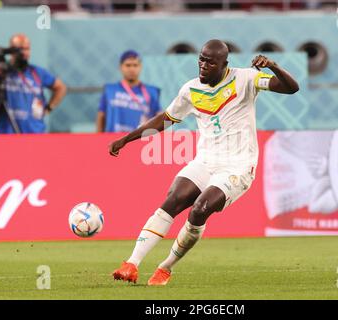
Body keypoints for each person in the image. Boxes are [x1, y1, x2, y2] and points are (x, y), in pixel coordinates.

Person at [108, 39, 299, 286]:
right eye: (201, 59)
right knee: (172, 201)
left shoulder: (246, 80)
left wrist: (273, 66)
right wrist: (127, 139)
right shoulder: (190, 90)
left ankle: (165, 267)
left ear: (224, 64)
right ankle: (131, 264)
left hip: (238, 166)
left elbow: (291, 88)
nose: (203, 65)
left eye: (211, 62)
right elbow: (164, 120)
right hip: (205, 161)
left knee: (199, 209)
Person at [0, 33, 67, 134]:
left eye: (27, 48)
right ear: (11, 50)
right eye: (20, 49)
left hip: (34, 133)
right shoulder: (2, 73)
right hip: (6, 135)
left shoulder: (37, 72)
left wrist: (48, 108)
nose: (25, 52)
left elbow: (61, 87)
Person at [96, 50, 161, 133]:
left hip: (138, 139)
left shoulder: (151, 92)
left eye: (135, 65)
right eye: (128, 65)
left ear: (140, 67)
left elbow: (159, 117)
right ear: (121, 67)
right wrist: (98, 138)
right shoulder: (110, 90)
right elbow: (101, 116)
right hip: (113, 140)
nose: (132, 69)